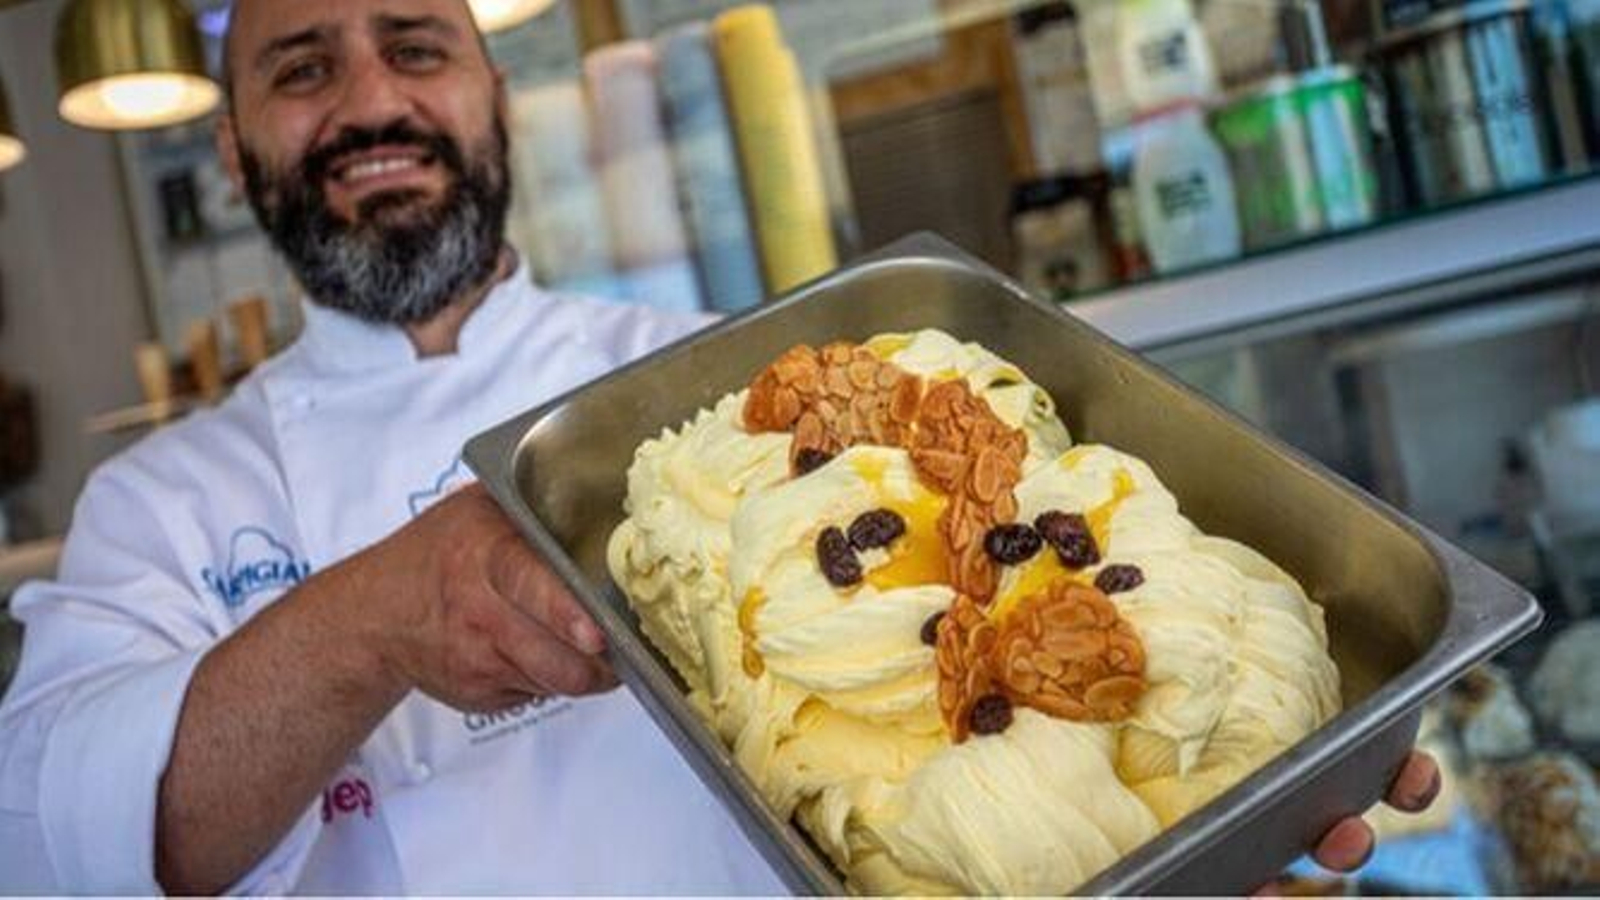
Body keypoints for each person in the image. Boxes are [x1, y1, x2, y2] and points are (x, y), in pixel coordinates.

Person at [0, 0, 1439, 893]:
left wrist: (1184, 815)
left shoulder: (712, 389)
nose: (371, 101)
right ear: (239, 143)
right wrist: (376, 619)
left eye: (417, 47)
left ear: (493, 96)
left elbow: (980, 656)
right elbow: (54, 851)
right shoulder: (160, 504)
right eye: (301, 67)